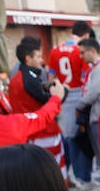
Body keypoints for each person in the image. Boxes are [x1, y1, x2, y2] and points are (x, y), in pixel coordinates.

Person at [8, 40, 67, 175]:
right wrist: (63, 92)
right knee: (51, 170)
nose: (42, 60)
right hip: (42, 131)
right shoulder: (29, 78)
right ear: (28, 59)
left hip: (27, 130)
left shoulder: (18, 77)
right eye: (39, 56)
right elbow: (48, 100)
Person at [72, 38, 100, 191]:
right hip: (96, 115)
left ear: (92, 51)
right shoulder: (98, 68)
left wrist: (79, 105)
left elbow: (94, 91)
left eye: (83, 52)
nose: (81, 56)